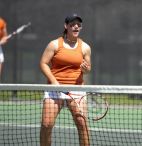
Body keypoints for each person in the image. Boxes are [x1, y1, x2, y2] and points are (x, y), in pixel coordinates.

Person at [39, 14, 91, 146]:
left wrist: (85, 69)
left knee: (82, 125)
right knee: (46, 125)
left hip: (76, 90)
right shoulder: (54, 44)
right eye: (73, 24)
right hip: (54, 90)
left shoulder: (85, 47)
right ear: (66, 26)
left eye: (78, 24)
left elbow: (88, 68)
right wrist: (54, 82)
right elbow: (43, 63)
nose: (76, 26)